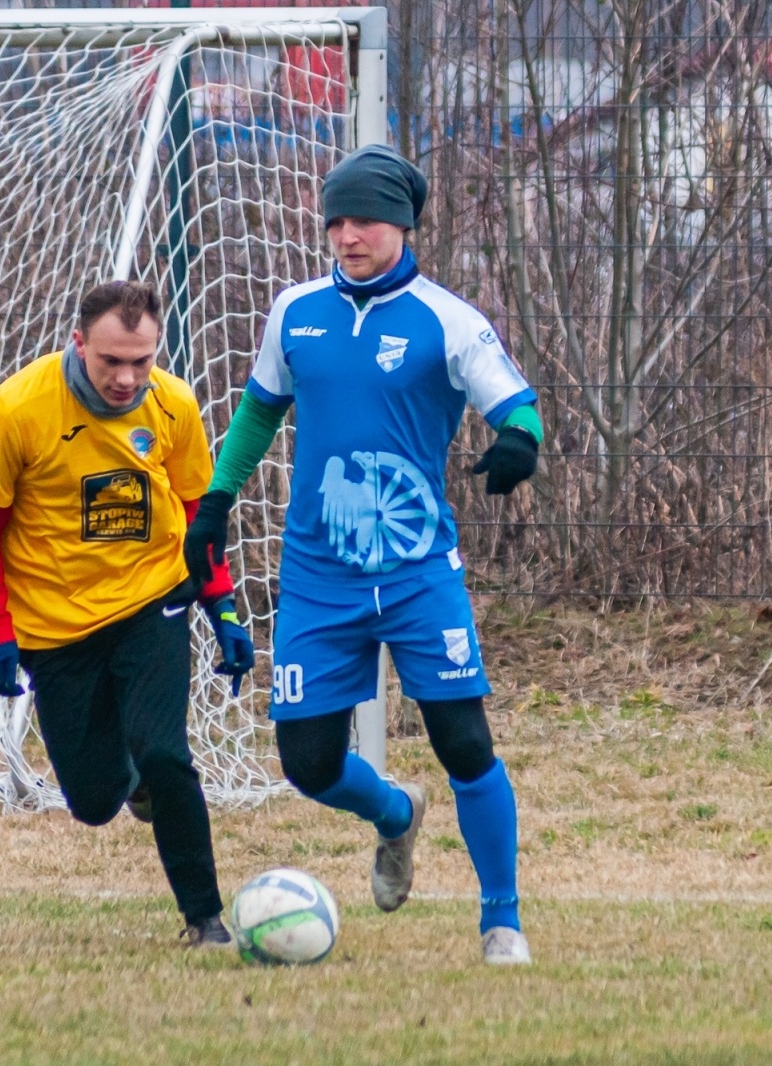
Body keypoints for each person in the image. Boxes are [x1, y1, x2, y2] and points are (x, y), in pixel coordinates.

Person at [183, 144, 542, 965]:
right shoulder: (295, 312)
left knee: (464, 743)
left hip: (418, 573)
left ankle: (502, 923)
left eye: (364, 220)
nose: (347, 235)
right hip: (317, 575)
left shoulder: (448, 319)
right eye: (336, 220)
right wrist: (215, 500)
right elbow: (257, 413)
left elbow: (517, 407)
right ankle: (395, 815)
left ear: (403, 225)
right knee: (306, 764)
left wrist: (520, 443)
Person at [0, 280, 256, 948]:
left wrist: (224, 608)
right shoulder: (18, 409)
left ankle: (205, 919)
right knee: (92, 801)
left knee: (167, 754)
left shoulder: (174, 405)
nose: (127, 378)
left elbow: (194, 513)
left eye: (141, 361)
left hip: (153, 600)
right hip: (54, 625)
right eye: (111, 361)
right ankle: (131, 780)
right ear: (79, 343)